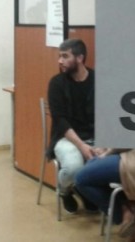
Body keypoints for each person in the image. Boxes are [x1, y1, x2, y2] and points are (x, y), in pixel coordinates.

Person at [47, 38, 97, 213]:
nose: (60, 61)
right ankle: (65, 190)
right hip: (66, 138)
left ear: (80, 58)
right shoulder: (56, 83)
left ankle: (85, 190)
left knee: (108, 163)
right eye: (59, 56)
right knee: (74, 167)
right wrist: (81, 145)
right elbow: (60, 121)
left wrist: (106, 145)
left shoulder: (98, 80)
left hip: (94, 136)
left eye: (65, 56)